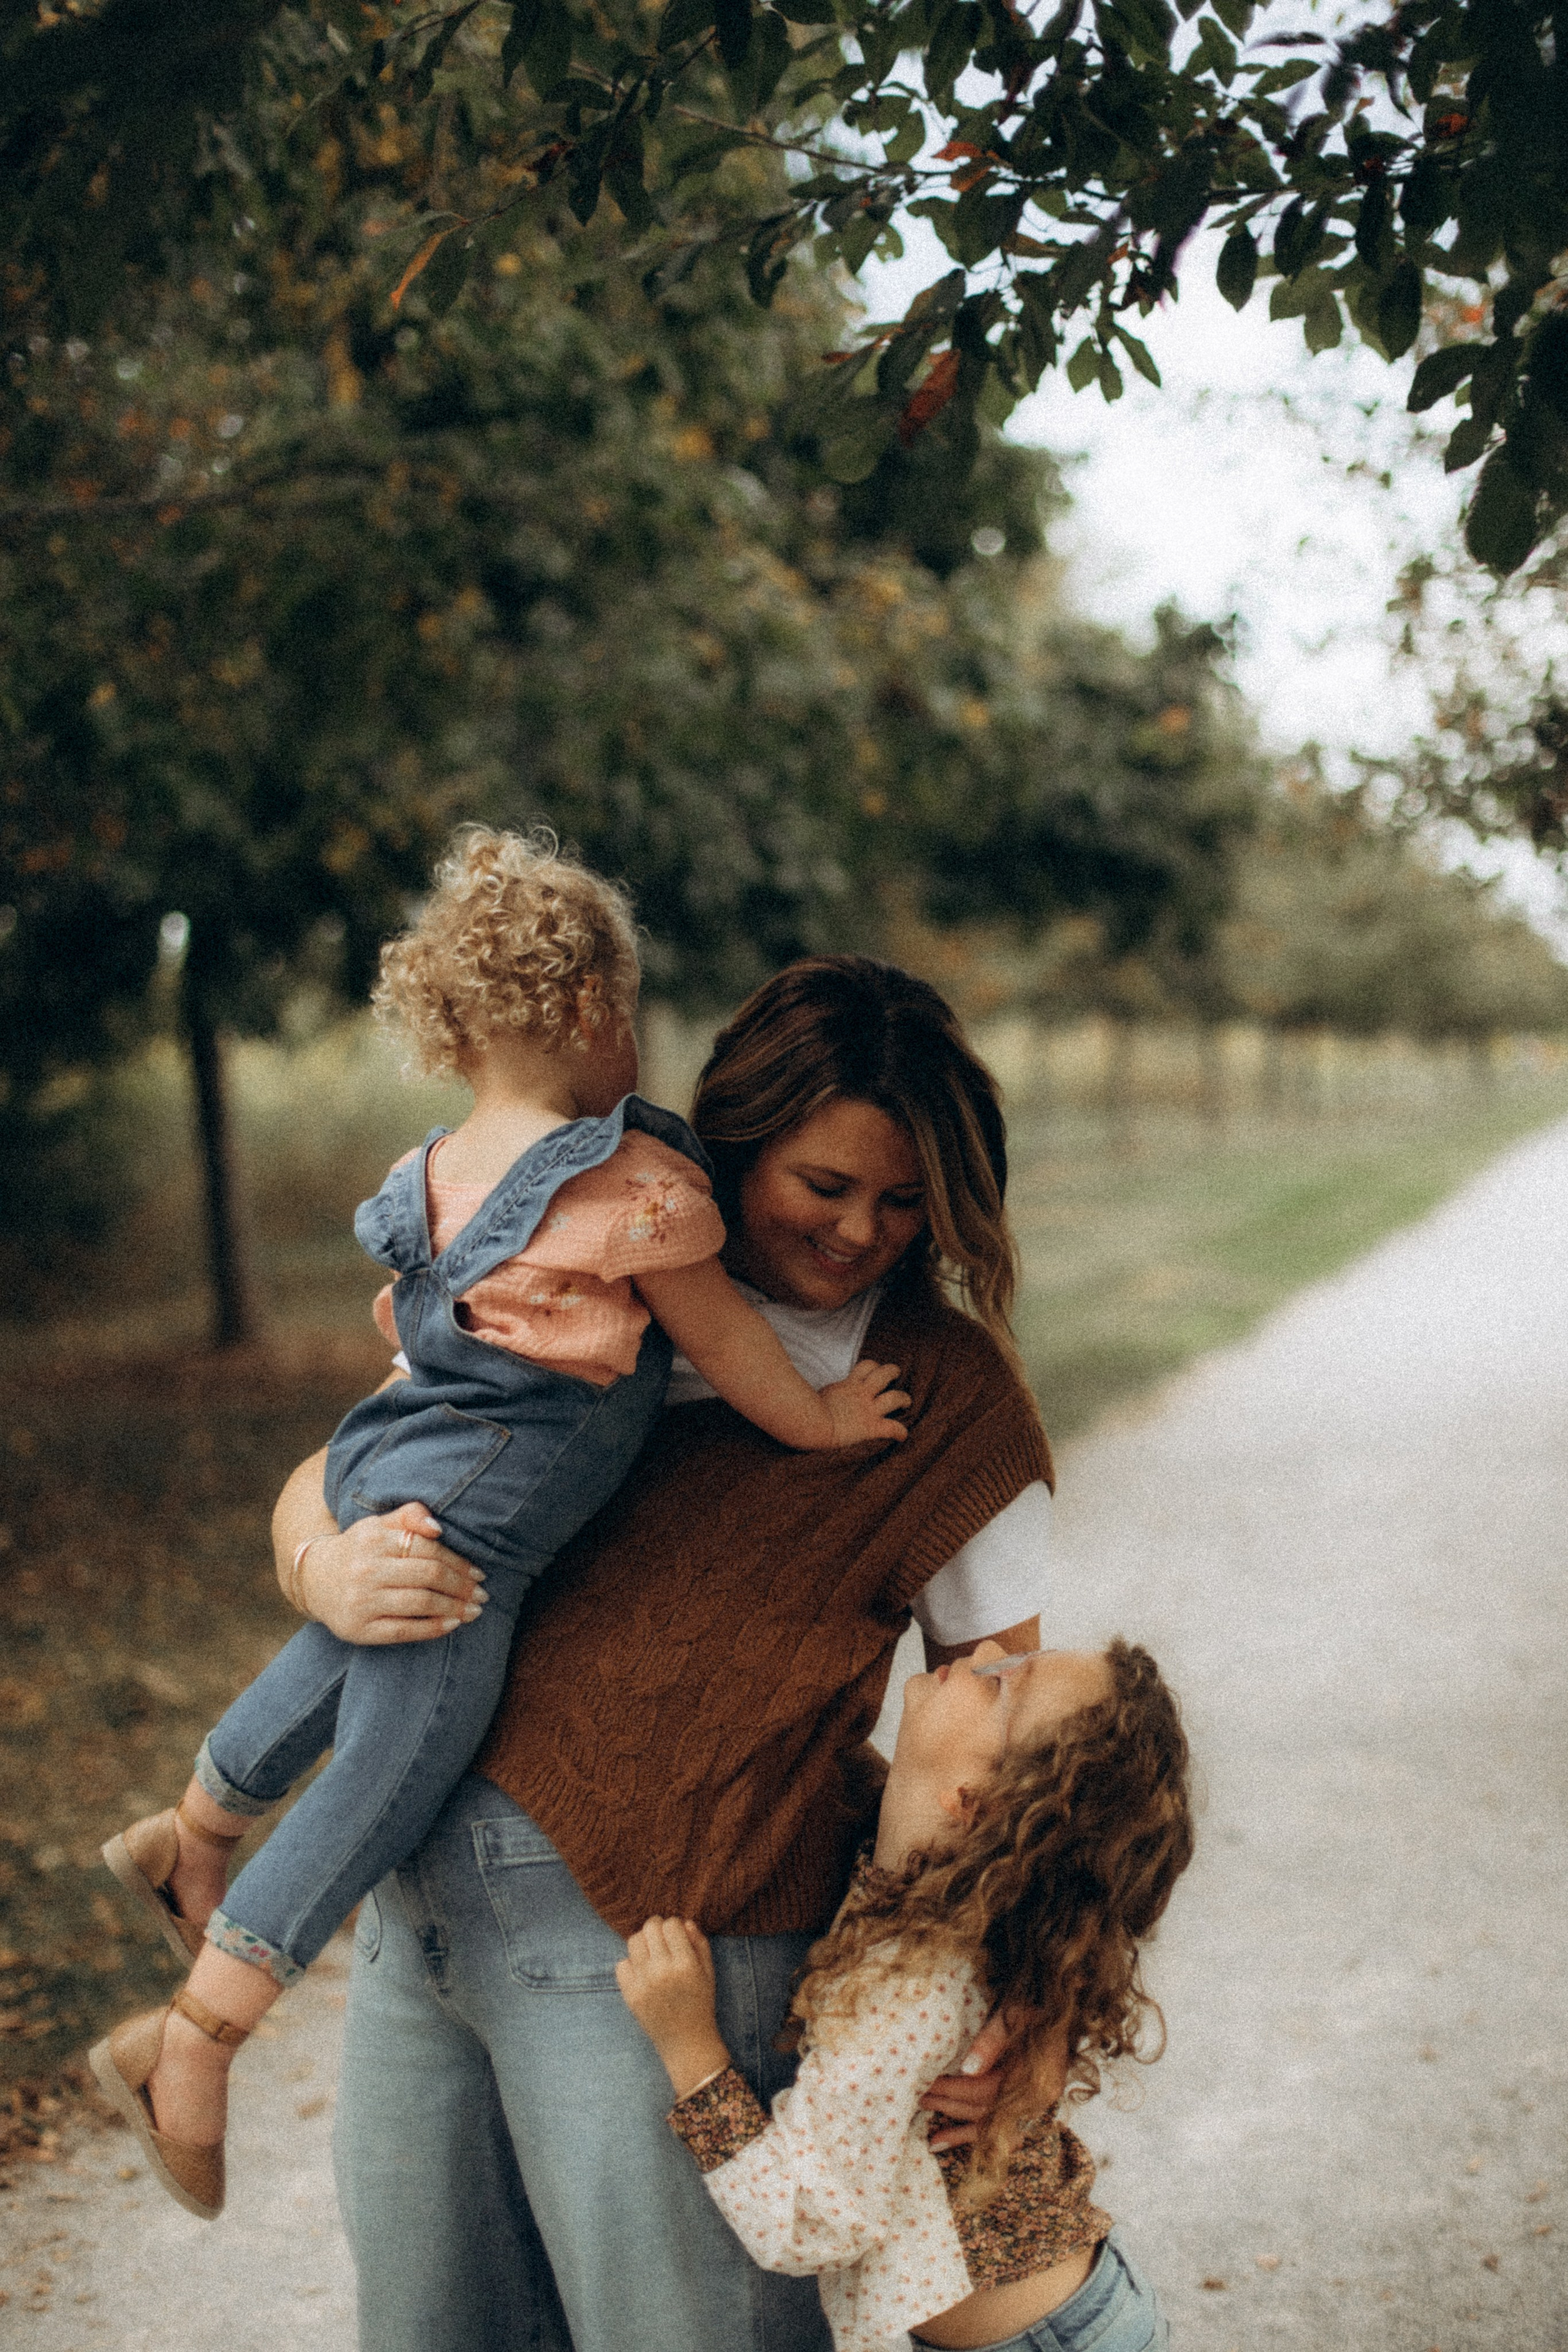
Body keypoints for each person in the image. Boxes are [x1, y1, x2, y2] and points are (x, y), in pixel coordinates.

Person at [89, 834, 908, 2220]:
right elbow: (723, 1337)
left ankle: (199, 1820)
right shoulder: (625, 1185)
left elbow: (413, 1338)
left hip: (389, 1448)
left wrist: (338, 1530)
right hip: (488, 1519)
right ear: (592, 1012)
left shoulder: (428, 1175)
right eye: (633, 1012)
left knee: (351, 1638)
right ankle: (198, 2039)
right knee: (390, 1764)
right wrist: (824, 1421)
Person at [269, 951, 1063, 2352]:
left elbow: (1014, 1728)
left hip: (677, 1949)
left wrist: (1029, 2011)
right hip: (422, 1926)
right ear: (732, 1139)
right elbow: (338, 1466)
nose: (862, 1231)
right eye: (823, 1186)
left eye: (902, 1198)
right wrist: (324, 1566)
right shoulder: (580, 1275)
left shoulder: (933, 1396)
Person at [620, 1637, 1192, 2352]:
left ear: (975, 1804)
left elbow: (806, 2224)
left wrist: (690, 2049)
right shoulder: (950, 1895)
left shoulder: (909, 1987)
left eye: (1002, 1685)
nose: (983, 1646)